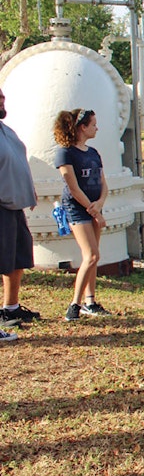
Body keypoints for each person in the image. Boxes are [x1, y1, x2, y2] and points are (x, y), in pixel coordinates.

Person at [53, 109, 111, 321]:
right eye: (93, 124)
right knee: (92, 255)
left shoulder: (93, 153)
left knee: (94, 256)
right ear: (82, 127)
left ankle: (90, 301)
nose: (97, 128)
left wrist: (100, 204)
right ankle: (74, 305)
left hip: (95, 207)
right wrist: (93, 210)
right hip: (78, 209)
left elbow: (104, 183)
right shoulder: (65, 153)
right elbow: (73, 187)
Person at [0, 87, 38, 341]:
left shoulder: (7, 131)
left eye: (2, 96)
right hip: (1, 206)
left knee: (17, 260)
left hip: (15, 207)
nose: (2, 100)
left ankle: (10, 308)